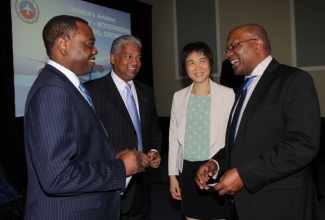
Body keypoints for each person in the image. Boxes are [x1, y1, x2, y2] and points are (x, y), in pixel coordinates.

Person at [24, 15, 146, 220]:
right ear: (63, 45)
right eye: (90, 44)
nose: (96, 51)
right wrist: (119, 168)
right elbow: (57, 177)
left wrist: (112, 159)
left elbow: (78, 153)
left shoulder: (67, 86)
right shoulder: (52, 91)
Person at [196, 24, 320, 220]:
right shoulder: (242, 90)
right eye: (227, 49)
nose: (228, 53)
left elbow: (302, 144)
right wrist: (215, 164)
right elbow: (239, 144)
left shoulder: (294, 80)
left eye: (233, 46)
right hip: (242, 206)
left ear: (258, 45)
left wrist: (244, 175)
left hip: (281, 205)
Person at [85, 35, 162, 220]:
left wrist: (154, 151)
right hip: (112, 183)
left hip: (143, 184)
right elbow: (88, 140)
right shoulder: (93, 90)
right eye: (128, 56)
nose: (135, 62)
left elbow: (153, 128)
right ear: (113, 58)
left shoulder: (146, 92)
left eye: (139, 58)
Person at [168, 41, 235, 220]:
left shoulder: (227, 94)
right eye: (191, 62)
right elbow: (173, 138)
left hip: (215, 167)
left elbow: (232, 137)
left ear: (210, 64)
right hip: (187, 170)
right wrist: (173, 175)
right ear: (185, 67)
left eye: (202, 60)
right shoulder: (178, 96)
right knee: (191, 216)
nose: (197, 67)